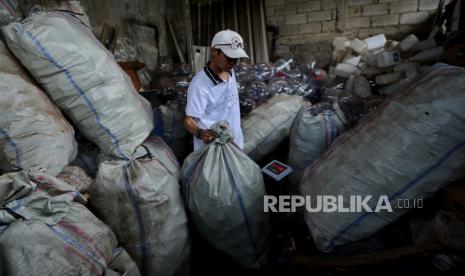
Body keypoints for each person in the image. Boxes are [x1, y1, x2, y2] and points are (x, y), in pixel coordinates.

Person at [184, 29, 248, 151]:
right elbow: (189, 120)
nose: (233, 63)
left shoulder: (230, 71)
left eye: (236, 58)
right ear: (214, 51)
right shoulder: (200, 84)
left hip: (235, 144)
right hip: (212, 150)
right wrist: (201, 133)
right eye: (229, 58)